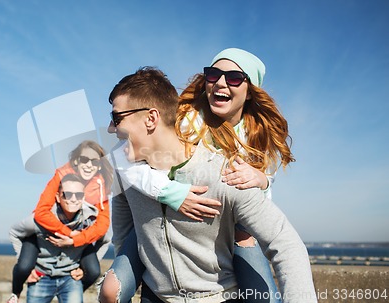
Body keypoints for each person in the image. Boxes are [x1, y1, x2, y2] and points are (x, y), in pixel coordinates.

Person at [100, 67, 316, 302]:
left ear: (151, 118)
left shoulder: (225, 175)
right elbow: (123, 230)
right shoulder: (126, 171)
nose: (111, 128)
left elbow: (286, 243)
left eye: (117, 118)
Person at [7, 140, 113, 303]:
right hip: (46, 230)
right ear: (77, 161)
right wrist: (69, 234)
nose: (89, 165)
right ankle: (15, 294)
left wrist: (75, 240)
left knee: (92, 271)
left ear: (99, 166)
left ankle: (72, 286)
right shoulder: (62, 175)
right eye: (84, 159)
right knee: (24, 266)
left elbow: (103, 225)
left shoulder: (100, 185)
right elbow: (41, 212)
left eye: (94, 161)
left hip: (78, 236)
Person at [10, 173, 98, 303]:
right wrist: (25, 265)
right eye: (67, 194)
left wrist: (84, 269)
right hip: (41, 276)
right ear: (57, 197)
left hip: (71, 278)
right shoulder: (41, 219)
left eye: (78, 195)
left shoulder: (90, 220)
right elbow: (14, 232)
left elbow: (105, 240)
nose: (73, 199)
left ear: (83, 197)